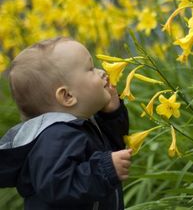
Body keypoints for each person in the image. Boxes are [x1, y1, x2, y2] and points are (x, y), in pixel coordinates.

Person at [0, 37, 132, 210]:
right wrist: (104, 169)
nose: (102, 72)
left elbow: (111, 150)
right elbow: (57, 187)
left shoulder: (77, 126)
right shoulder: (54, 138)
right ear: (67, 96)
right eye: (91, 69)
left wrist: (111, 115)